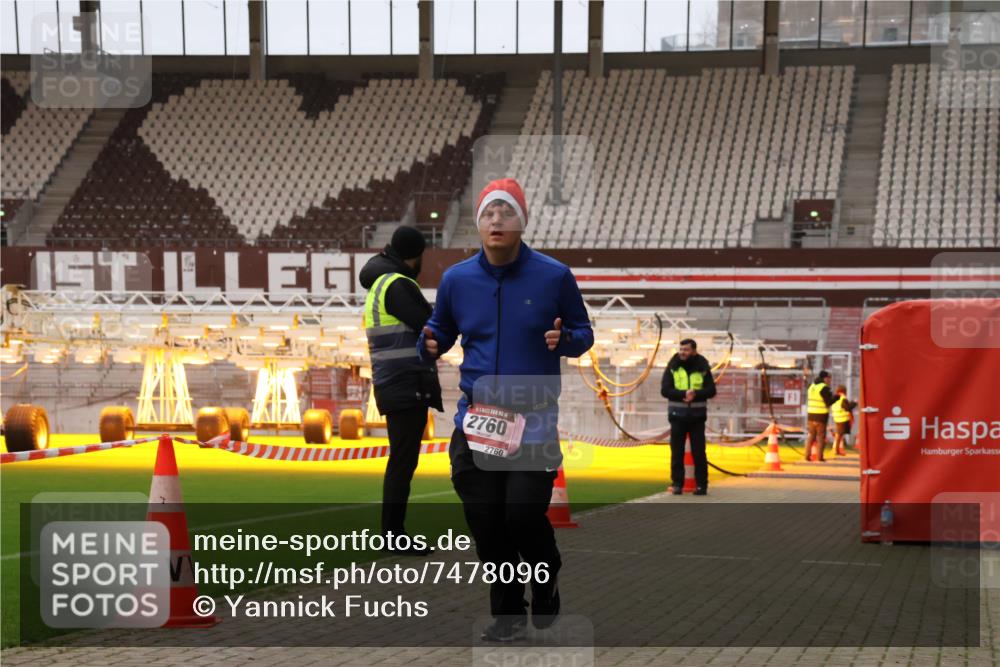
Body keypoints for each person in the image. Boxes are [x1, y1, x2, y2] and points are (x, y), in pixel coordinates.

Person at [418, 178, 594, 642]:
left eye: (506, 211)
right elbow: (442, 328)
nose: (496, 220)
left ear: (522, 220)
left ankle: (546, 574)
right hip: (476, 421)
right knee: (487, 522)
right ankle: (508, 613)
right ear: (478, 224)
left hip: (531, 420)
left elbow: (583, 332)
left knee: (520, 516)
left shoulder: (554, 276)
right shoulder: (458, 279)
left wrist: (567, 340)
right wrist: (430, 342)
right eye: (488, 213)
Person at [360, 225, 443, 555]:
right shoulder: (398, 285)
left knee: (402, 460)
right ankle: (393, 535)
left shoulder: (382, 283)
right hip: (406, 382)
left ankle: (392, 533)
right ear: (416, 256)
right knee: (402, 462)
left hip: (395, 382)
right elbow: (431, 326)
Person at [660, 339, 717, 495]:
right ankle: (677, 484)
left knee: (699, 452)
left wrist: (696, 394)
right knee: (676, 452)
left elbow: (711, 390)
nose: (682, 352)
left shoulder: (703, 366)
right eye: (681, 349)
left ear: (694, 351)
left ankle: (701, 486)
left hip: (697, 417)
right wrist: (683, 394)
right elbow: (665, 390)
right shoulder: (673, 366)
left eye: (686, 350)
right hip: (677, 416)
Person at [805, 370, 837, 462]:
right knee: (820, 437)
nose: (830, 380)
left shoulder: (811, 386)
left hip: (811, 415)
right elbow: (828, 402)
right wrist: (836, 397)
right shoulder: (824, 388)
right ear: (825, 378)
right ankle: (820, 457)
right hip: (821, 416)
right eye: (829, 378)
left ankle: (807, 456)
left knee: (811, 436)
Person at [830, 384, 857, 456]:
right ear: (844, 391)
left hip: (837, 418)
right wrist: (854, 403)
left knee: (839, 435)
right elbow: (847, 408)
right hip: (842, 419)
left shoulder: (835, 397)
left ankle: (837, 449)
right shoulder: (842, 398)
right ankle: (836, 450)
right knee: (839, 435)